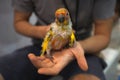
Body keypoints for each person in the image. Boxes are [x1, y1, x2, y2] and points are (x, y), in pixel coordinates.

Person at [0, 0, 116, 80]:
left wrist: (76, 47)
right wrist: (42, 31)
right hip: (41, 46)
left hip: (83, 49)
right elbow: (19, 21)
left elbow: (103, 35)